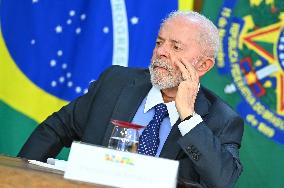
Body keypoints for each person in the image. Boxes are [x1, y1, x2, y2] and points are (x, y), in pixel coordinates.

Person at [18, 11, 244, 188]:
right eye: (159, 42)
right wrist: (18, 177)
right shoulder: (115, 83)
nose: (161, 52)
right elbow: (56, 128)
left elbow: (222, 181)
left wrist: (188, 117)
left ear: (203, 65)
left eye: (175, 47)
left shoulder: (221, 120)